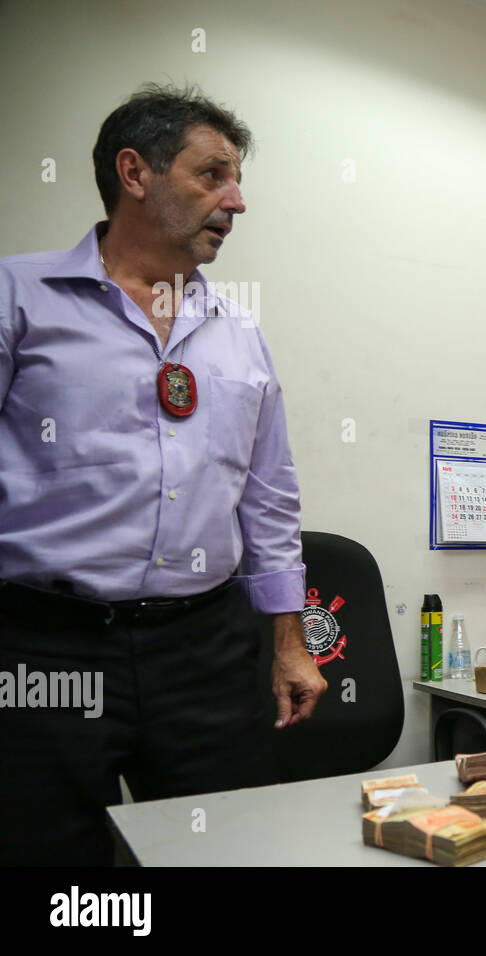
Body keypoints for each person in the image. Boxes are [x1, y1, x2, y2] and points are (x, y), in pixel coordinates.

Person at [0, 84, 326, 866]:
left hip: (204, 649)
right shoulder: (20, 296)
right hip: (45, 647)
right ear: (134, 172)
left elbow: (270, 499)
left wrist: (288, 643)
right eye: (212, 174)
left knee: (231, 850)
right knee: (49, 864)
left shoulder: (240, 334)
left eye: (237, 179)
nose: (236, 200)